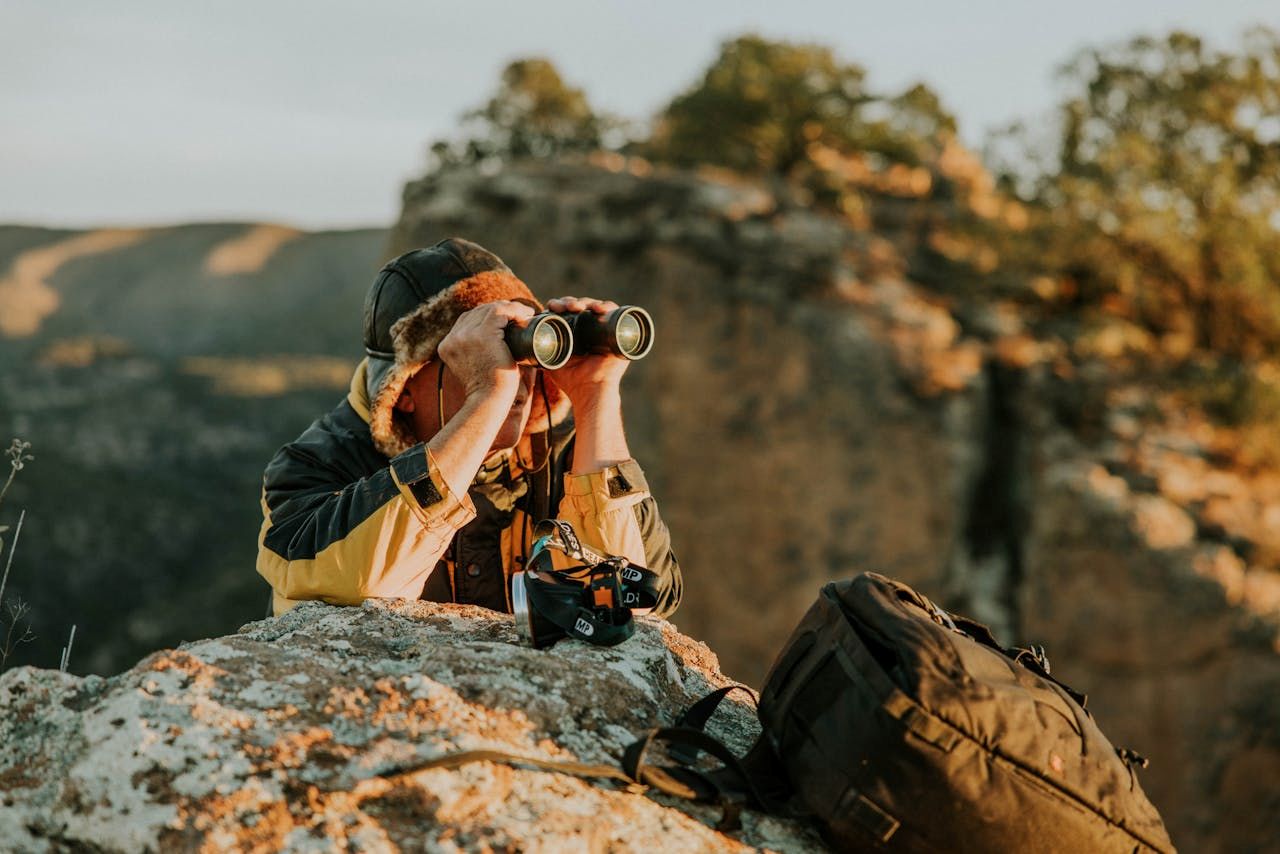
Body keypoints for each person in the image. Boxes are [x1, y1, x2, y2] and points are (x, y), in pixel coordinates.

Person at [255, 237, 681, 619]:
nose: (515, 379)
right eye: (477, 358)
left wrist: (596, 397)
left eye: (522, 352)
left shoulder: (568, 457)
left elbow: (641, 598)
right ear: (400, 389)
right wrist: (486, 398)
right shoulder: (312, 468)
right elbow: (359, 590)